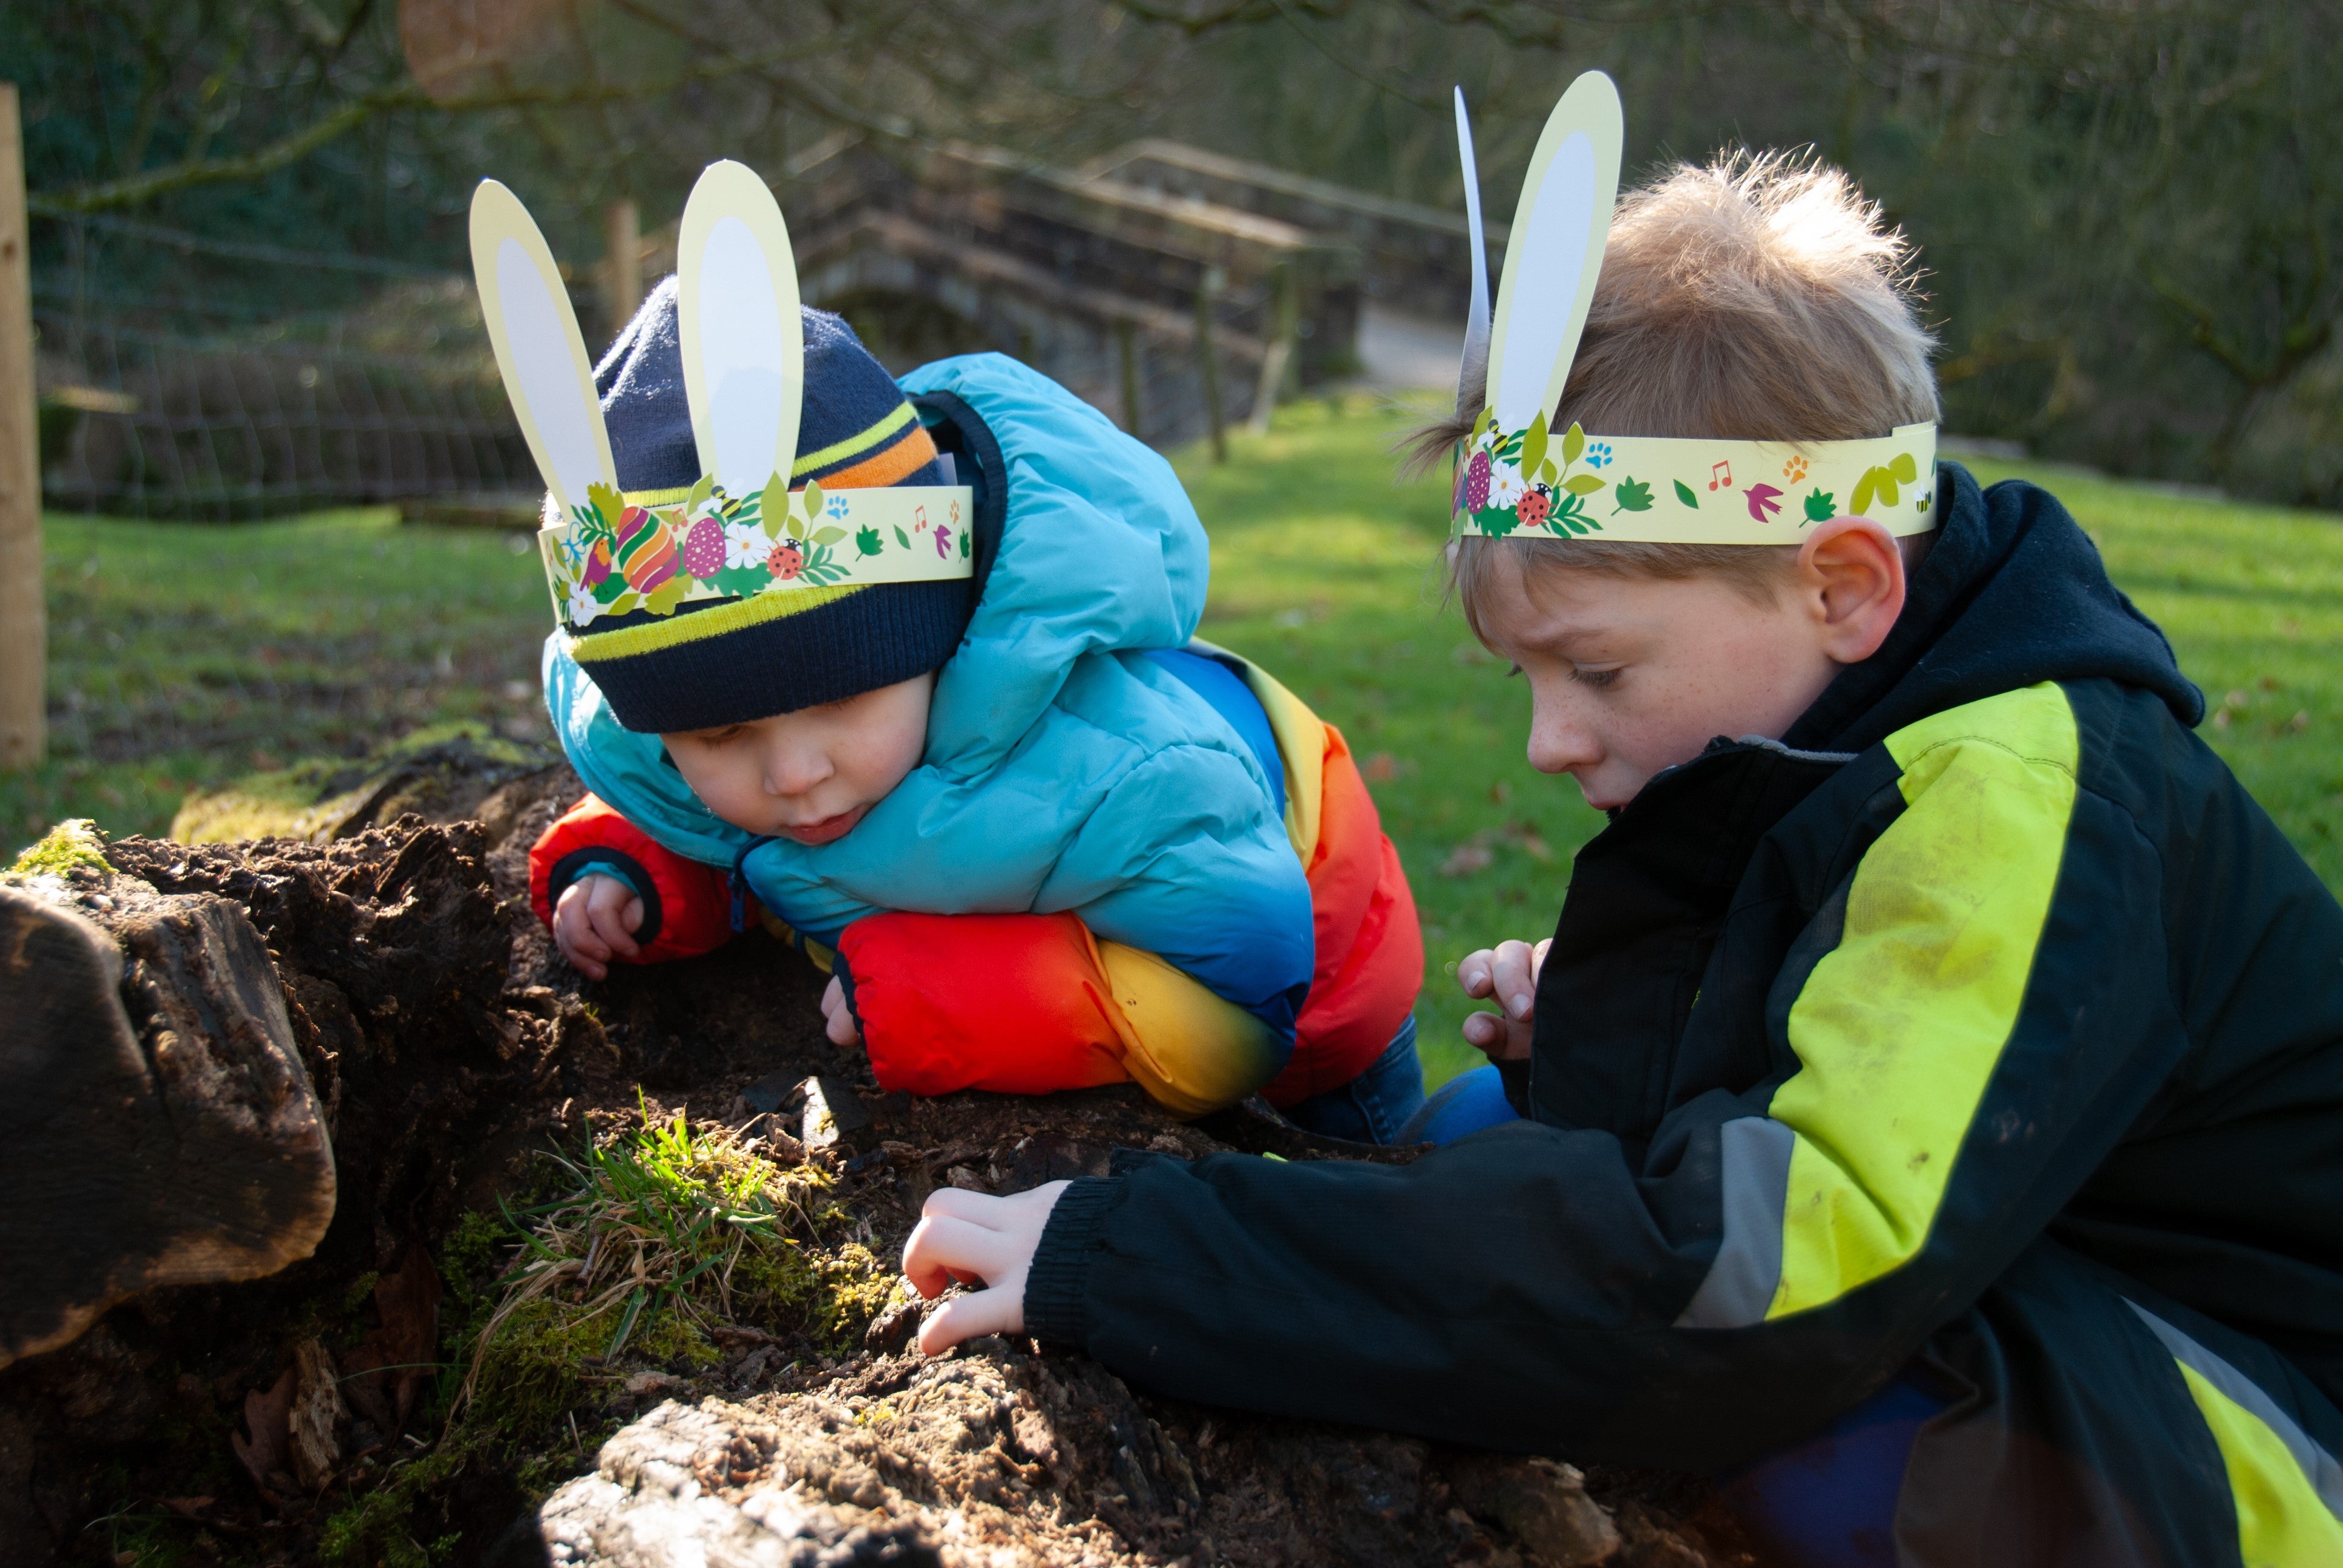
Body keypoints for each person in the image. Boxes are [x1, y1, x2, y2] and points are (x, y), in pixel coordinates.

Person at [900, 146, 2343, 1566]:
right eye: (1526, 679)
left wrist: (1149, 1260)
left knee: (1834, 1435)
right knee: (1482, 1136)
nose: (1548, 740)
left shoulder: (2015, 794)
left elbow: (1782, 1274)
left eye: (1595, 671)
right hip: (2043, 1274)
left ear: (1840, 582)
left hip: (2258, 1432)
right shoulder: (1850, 705)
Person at [528, 284, 1426, 1137]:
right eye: (718, 734)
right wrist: (647, 864)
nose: (794, 775)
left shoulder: (1127, 779)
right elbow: (703, 817)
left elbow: (1241, 1006)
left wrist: (944, 999)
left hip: (1318, 985)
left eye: (842, 699)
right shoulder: (713, 752)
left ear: (936, 638)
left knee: (1380, 1201)